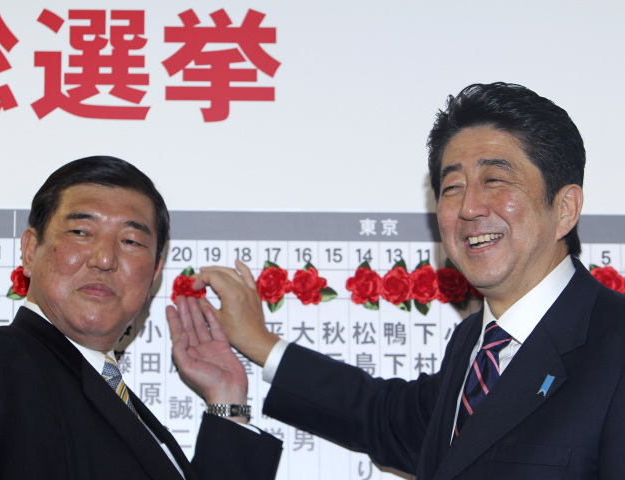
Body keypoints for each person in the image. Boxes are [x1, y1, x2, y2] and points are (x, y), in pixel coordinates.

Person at [184, 83, 625, 479]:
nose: (470, 206)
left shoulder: (614, 345)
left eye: (495, 179)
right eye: (452, 187)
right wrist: (259, 343)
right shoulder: (473, 344)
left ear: (565, 208)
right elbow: (383, 417)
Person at [0, 156, 282, 480]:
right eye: (81, 231)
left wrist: (227, 401)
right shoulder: (3, 358)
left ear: (155, 271)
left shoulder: (109, 395)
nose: (105, 258)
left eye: (131, 241)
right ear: (30, 249)